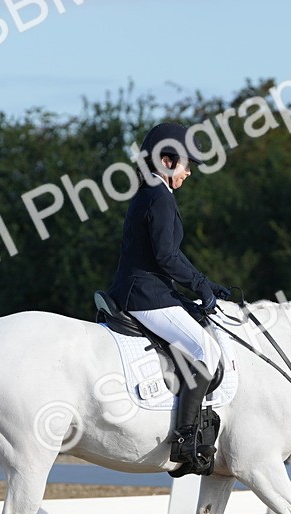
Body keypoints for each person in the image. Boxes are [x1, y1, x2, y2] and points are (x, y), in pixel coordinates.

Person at [108, 122, 231, 473]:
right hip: (145, 295)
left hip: (147, 290)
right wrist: (201, 284)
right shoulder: (158, 196)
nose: (189, 171)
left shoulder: (149, 191)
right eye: (185, 164)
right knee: (206, 350)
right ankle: (186, 441)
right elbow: (166, 256)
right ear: (166, 160)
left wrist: (198, 287)